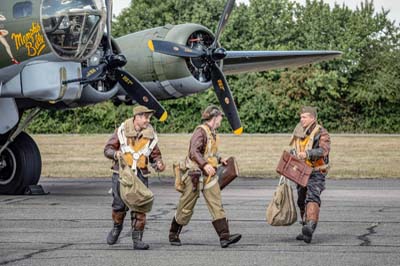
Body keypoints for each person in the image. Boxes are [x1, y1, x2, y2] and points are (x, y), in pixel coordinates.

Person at [168, 105, 241, 248]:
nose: (221, 119)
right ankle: (173, 233)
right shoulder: (200, 132)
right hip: (194, 175)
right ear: (214, 117)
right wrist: (205, 165)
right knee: (186, 206)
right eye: (220, 117)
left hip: (209, 176)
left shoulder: (213, 133)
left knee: (216, 204)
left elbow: (210, 153)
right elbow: (193, 152)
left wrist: (220, 159)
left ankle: (224, 237)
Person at [104, 105, 166, 250]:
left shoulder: (151, 135)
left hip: (140, 176)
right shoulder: (121, 131)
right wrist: (116, 154)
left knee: (140, 207)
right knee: (119, 205)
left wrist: (159, 164)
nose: (148, 120)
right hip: (122, 175)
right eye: (145, 117)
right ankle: (116, 228)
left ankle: (137, 239)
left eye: (149, 117)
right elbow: (108, 149)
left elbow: (155, 155)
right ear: (136, 117)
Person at [289, 106, 331, 244]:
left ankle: (310, 226)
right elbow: (294, 148)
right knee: (301, 200)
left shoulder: (321, 132)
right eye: (301, 117)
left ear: (312, 118)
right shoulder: (299, 131)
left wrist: (308, 154)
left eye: (304, 117)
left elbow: (323, 150)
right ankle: (305, 229)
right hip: (301, 171)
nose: (301, 119)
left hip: (316, 171)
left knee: (312, 197)